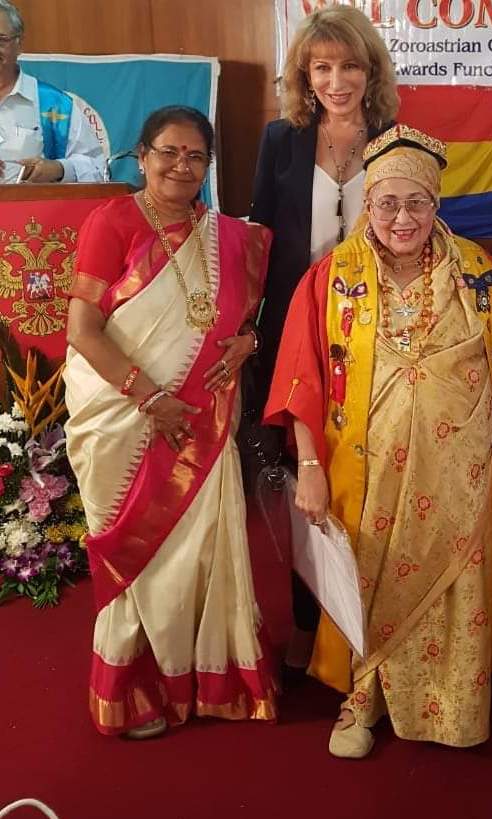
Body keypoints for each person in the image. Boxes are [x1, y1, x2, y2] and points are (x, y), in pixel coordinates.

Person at [263, 125, 492, 758]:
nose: (402, 218)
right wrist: (309, 465)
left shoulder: (480, 274)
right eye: (387, 202)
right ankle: (362, 699)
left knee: (456, 587)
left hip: (462, 473)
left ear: (437, 203)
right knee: (369, 578)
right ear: (368, 203)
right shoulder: (332, 277)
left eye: (417, 202)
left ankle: (456, 705)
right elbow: (301, 378)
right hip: (369, 472)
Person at [64, 106, 277, 738]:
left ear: (208, 166)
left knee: (198, 553)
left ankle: (202, 679)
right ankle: (133, 689)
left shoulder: (230, 238)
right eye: (168, 152)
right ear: (142, 156)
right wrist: (150, 397)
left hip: (203, 416)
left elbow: (246, 319)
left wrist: (250, 342)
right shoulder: (112, 222)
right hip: (123, 418)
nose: (181, 166)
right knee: (137, 553)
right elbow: (83, 331)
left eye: (195, 156)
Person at [249, 4, 399, 671]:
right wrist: (247, 332)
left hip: (377, 336)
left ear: (371, 72)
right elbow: (259, 239)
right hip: (293, 331)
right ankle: (309, 622)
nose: (336, 82)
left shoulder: (397, 138)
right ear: (305, 75)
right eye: (322, 68)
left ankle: (369, 623)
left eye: (349, 67)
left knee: (367, 475)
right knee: (299, 478)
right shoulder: (281, 140)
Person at [0, 1, 105, 183]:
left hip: (34, 202)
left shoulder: (54, 103)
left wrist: (59, 169)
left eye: (1, 40)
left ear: (19, 44)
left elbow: (98, 169)